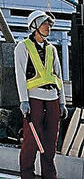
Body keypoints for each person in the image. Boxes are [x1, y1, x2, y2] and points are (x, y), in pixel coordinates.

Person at [14, 10, 67, 179]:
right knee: (30, 143)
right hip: (34, 99)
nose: (48, 27)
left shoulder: (52, 49)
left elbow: (58, 77)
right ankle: (27, 176)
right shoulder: (23, 47)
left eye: (49, 24)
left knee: (50, 144)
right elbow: (20, 75)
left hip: (52, 100)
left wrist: (62, 102)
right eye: (44, 24)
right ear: (35, 26)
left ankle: (50, 177)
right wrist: (24, 101)